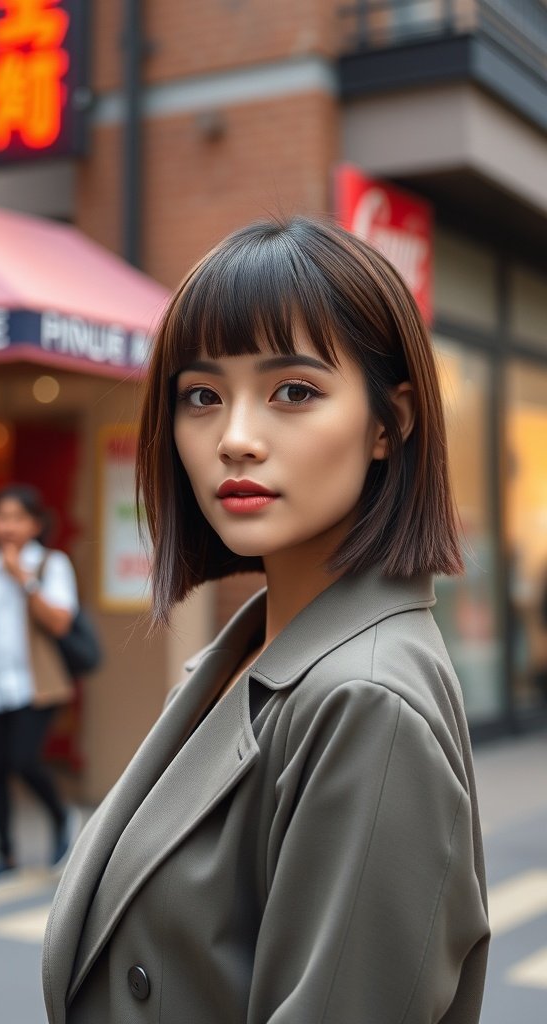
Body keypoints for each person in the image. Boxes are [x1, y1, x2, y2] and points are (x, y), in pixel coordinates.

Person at [43, 218, 489, 1024]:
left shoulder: (368, 702)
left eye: (294, 391)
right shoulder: (250, 656)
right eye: (202, 397)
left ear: (390, 423)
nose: (236, 440)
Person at [0, 484, 80, 890]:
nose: (9, 526)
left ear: (35, 524)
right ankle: (4, 855)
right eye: (1, 517)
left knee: (22, 760)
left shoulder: (52, 565)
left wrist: (24, 580)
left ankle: (61, 817)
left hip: (36, 685)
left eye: (18, 517)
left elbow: (60, 623)